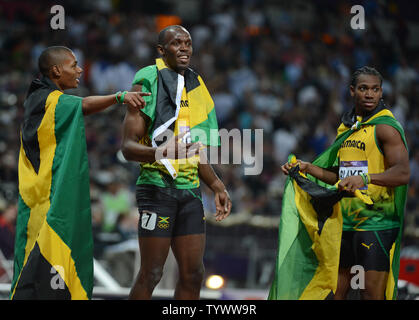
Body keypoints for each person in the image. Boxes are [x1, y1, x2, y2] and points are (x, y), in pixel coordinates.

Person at [10, 46, 150, 300]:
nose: (79, 70)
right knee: (37, 275)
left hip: (43, 201)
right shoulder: (44, 98)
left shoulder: (43, 98)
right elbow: (82, 105)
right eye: (73, 65)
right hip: (42, 205)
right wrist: (120, 97)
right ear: (55, 70)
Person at [121, 25, 232, 300]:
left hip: (190, 191)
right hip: (157, 189)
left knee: (194, 274)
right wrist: (162, 153)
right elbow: (127, 148)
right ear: (161, 50)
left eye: (188, 43)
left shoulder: (194, 85)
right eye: (176, 43)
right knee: (152, 273)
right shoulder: (147, 80)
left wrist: (217, 185)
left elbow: (193, 149)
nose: (184, 48)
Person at [281, 66, 410, 300]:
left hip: (376, 223)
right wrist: (308, 168)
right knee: (334, 293)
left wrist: (366, 178)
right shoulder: (348, 128)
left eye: (375, 89)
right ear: (352, 91)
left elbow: (402, 173)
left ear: (381, 93)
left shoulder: (385, 128)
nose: (370, 94)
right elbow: (341, 177)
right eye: (363, 89)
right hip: (346, 223)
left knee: (370, 294)